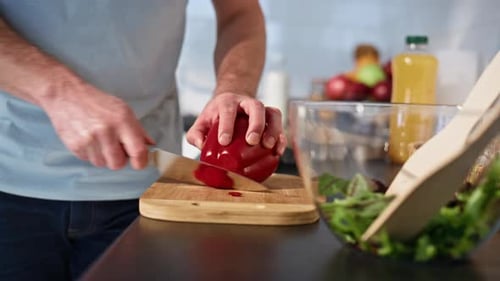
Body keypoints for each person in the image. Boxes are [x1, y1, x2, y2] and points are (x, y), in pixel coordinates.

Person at [0, 1, 286, 280]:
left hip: (148, 199)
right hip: (9, 181)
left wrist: (233, 88)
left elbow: (239, 12)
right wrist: (58, 92)